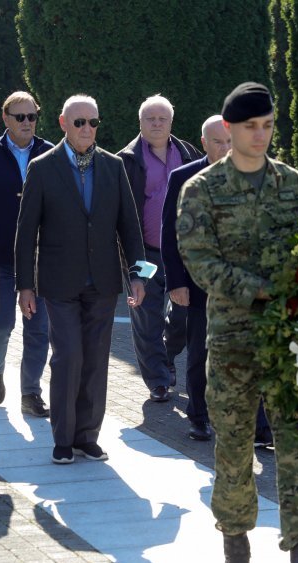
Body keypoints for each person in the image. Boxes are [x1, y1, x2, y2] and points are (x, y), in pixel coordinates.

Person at [177, 82, 298, 563]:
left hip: (288, 341)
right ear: (228, 129)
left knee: (296, 448)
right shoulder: (202, 189)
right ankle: (236, 547)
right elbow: (200, 261)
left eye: (266, 126)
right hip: (234, 339)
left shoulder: (295, 184)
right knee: (234, 450)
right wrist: (263, 288)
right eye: (249, 127)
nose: (259, 136)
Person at [15, 94, 147, 465]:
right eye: (79, 122)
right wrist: (25, 285)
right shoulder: (43, 167)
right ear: (62, 123)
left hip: (102, 283)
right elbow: (26, 232)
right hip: (59, 283)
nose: (87, 129)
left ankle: (86, 436)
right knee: (68, 357)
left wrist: (138, 274)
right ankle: (62, 437)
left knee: (95, 360)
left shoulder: (113, 166)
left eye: (93, 122)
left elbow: (129, 227)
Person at [0, 91, 53, 417]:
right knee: (1, 324)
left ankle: (31, 393)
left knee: (39, 330)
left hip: (39, 259)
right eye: (20, 117)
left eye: (32, 116)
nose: (27, 123)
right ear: (6, 119)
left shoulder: (50, 152)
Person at [117, 95, 202, 403]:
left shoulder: (188, 154)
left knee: (183, 315)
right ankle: (157, 379)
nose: (156, 124)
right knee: (145, 316)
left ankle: (167, 355)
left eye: (162, 118)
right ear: (140, 123)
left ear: (171, 122)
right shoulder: (125, 160)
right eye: (150, 119)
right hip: (146, 253)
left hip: (183, 253)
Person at [160, 115, 230, 440]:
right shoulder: (183, 177)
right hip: (199, 285)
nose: (226, 147)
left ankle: (257, 425)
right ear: (204, 142)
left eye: (230, 140)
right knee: (199, 350)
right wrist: (176, 282)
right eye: (218, 141)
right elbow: (169, 233)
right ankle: (198, 415)